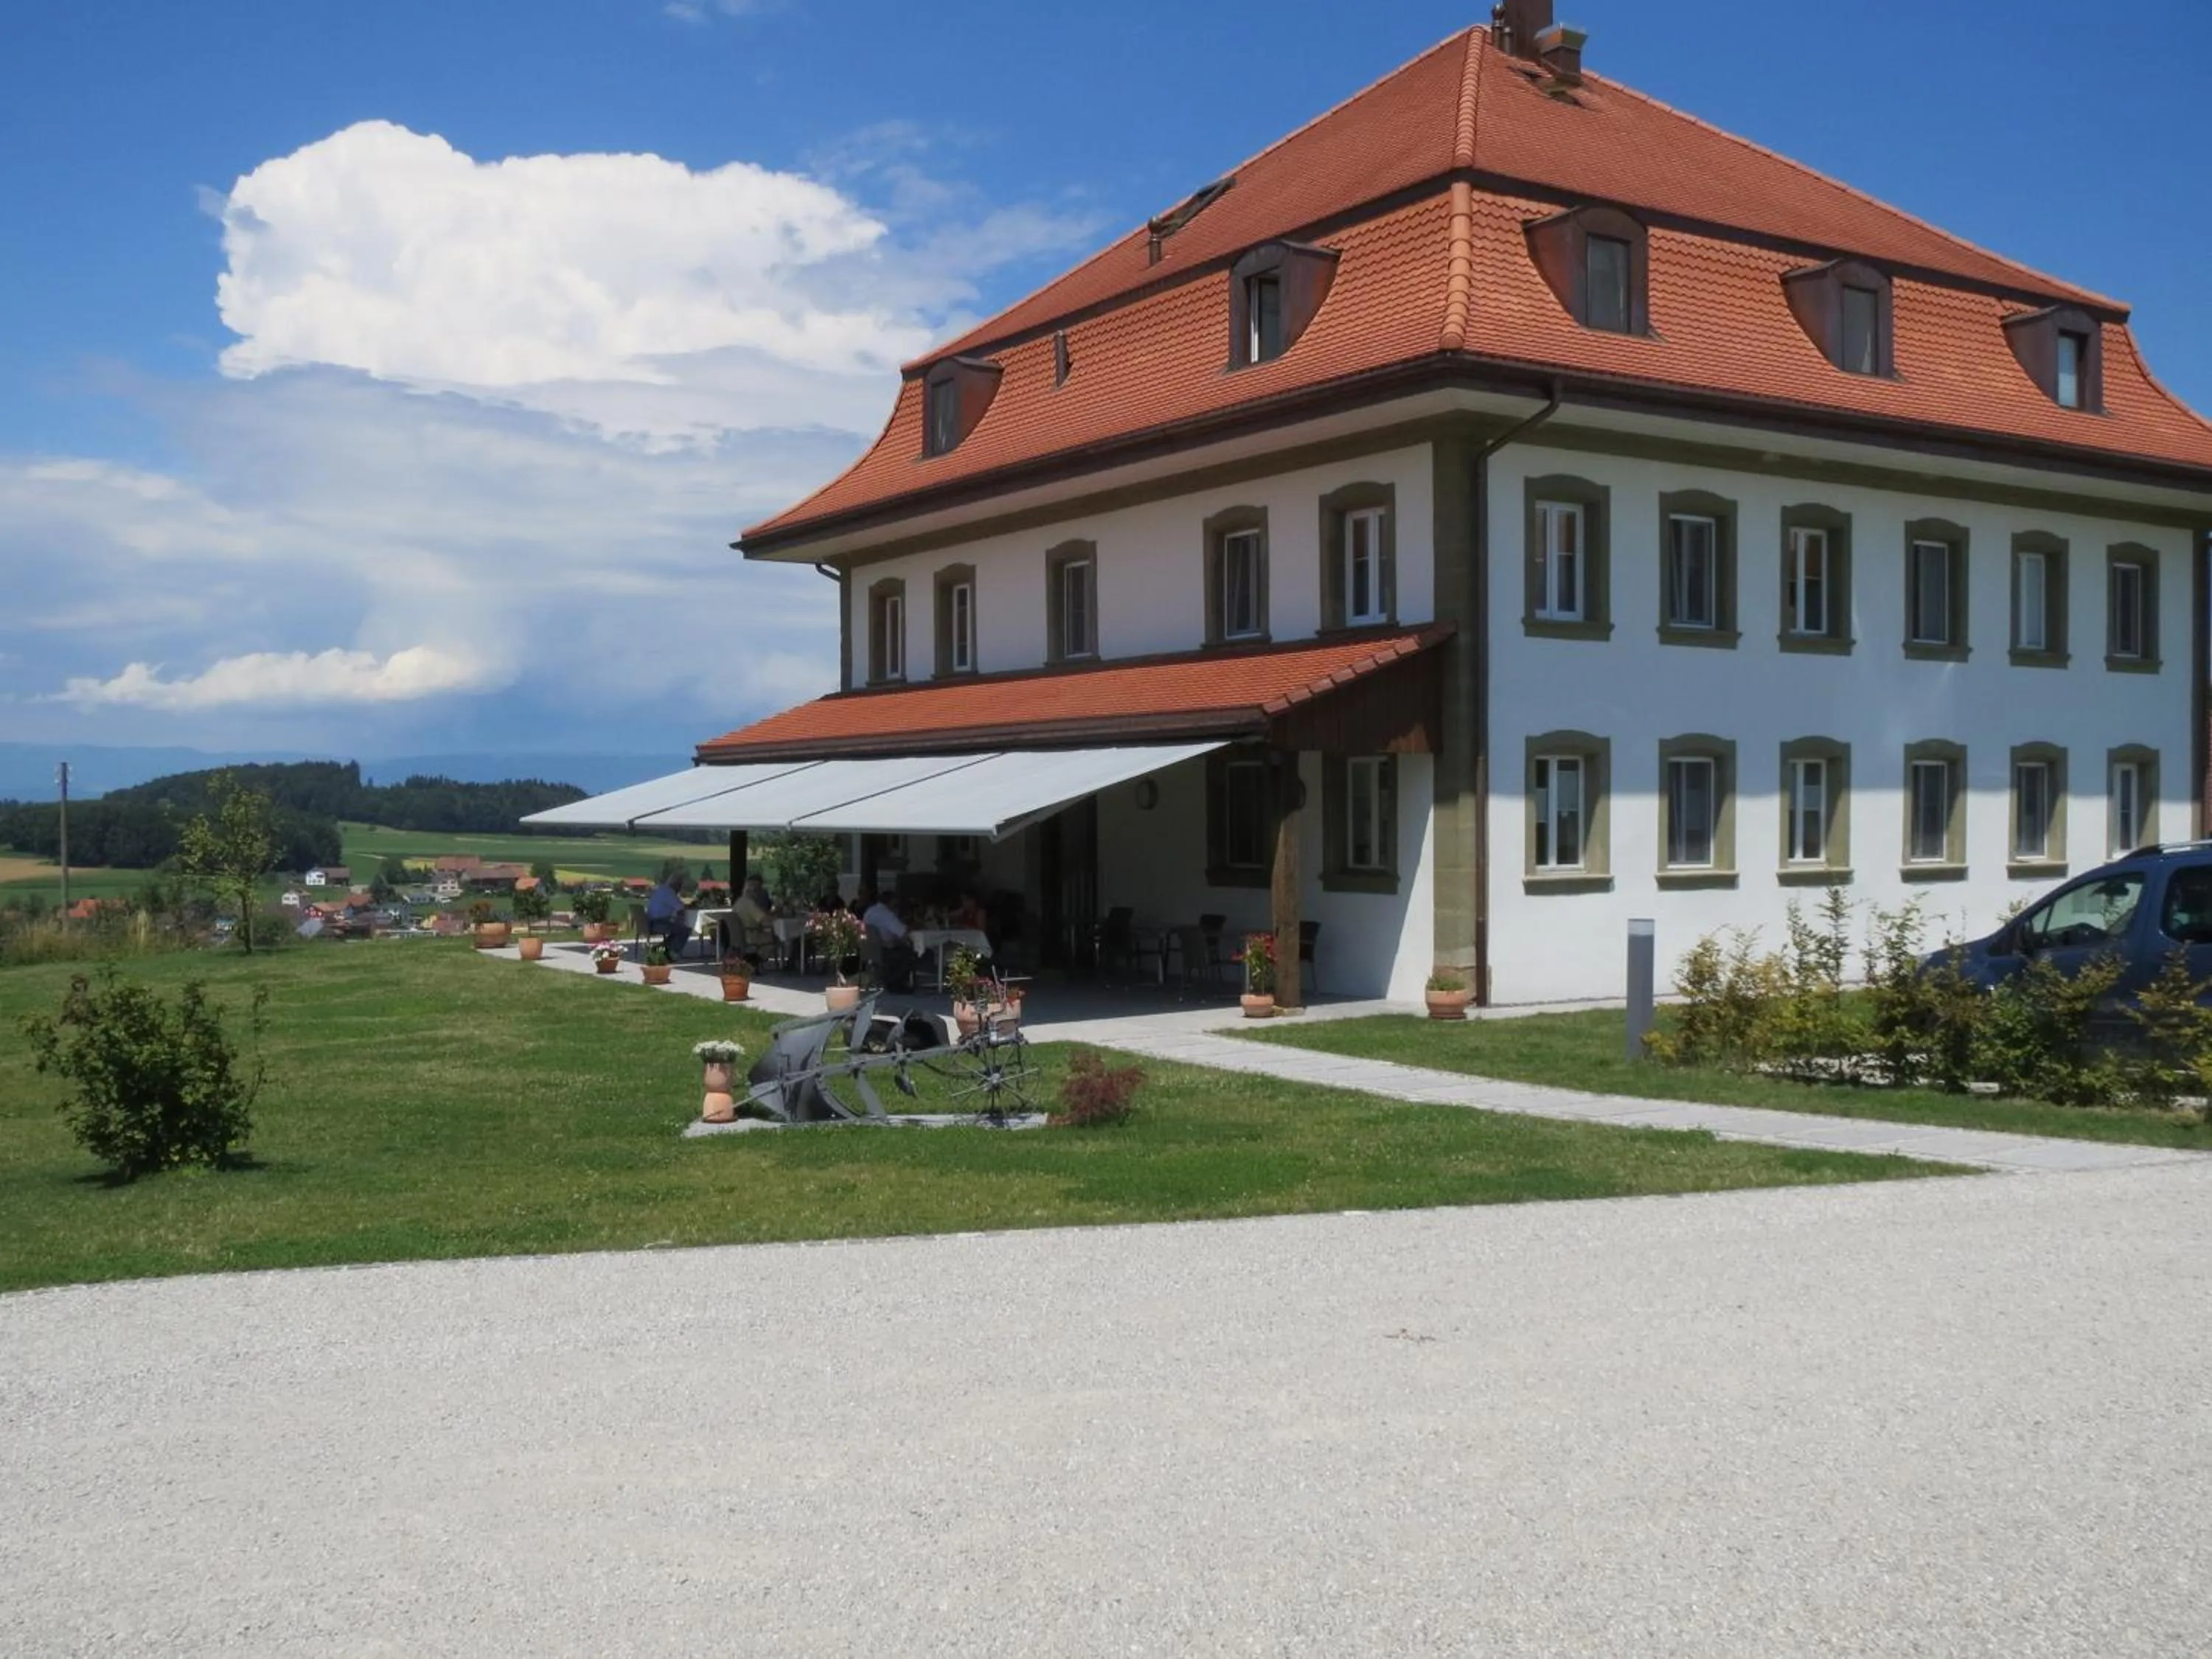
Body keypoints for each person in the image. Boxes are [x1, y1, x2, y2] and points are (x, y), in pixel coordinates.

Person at [858, 886, 919, 992]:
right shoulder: (887, 915)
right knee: (910, 954)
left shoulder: (870, 911)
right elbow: (904, 933)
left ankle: (892, 981)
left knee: (902, 950)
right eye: (895, 903)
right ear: (891, 902)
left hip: (870, 950)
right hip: (884, 951)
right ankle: (895, 983)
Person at [645, 874, 692, 959]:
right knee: (685, 930)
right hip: (659, 923)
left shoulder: (661, 889)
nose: (680, 889)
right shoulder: (669, 892)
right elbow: (680, 907)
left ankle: (660, 949)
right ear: (676, 885)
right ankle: (673, 953)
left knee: (678, 929)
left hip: (651, 922)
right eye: (680, 886)